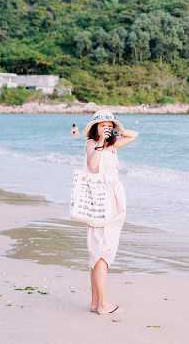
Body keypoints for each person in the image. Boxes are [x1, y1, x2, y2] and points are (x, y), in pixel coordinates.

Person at [82, 110, 139, 315]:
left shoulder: (112, 145)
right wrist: (99, 143)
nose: (105, 127)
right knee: (102, 252)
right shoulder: (92, 145)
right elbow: (93, 166)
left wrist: (117, 129)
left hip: (113, 200)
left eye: (108, 125)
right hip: (102, 202)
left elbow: (134, 135)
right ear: (95, 127)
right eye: (101, 124)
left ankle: (95, 302)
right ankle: (103, 305)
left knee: (100, 250)